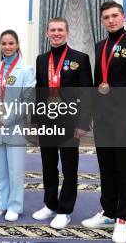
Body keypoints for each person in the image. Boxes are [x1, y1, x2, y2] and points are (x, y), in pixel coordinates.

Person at [81, 1, 126, 243]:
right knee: (106, 168)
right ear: (102, 21)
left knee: (125, 169)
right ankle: (109, 212)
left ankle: (123, 219)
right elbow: (96, 84)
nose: (110, 20)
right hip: (103, 118)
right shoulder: (101, 46)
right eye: (106, 17)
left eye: (114, 16)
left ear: (123, 17)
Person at [32, 17, 93, 229]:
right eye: (52, 30)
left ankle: (65, 210)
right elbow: (39, 91)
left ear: (67, 33)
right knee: (48, 166)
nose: (56, 33)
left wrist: (83, 123)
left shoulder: (80, 59)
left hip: (70, 122)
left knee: (69, 167)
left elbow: (87, 94)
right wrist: (36, 119)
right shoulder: (41, 60)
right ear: (47, 33)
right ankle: (50, 204)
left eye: (60, 30)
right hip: (47, 122)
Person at [0, 30, 35, 222]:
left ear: (17, 45)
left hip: (15, 126)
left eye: (11, 43)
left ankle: (15, 205)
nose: (7, 47)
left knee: (15, 169)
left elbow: (28, 101)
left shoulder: (26, 70)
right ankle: (2, 203)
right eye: (4, 43)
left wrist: (7, 119)